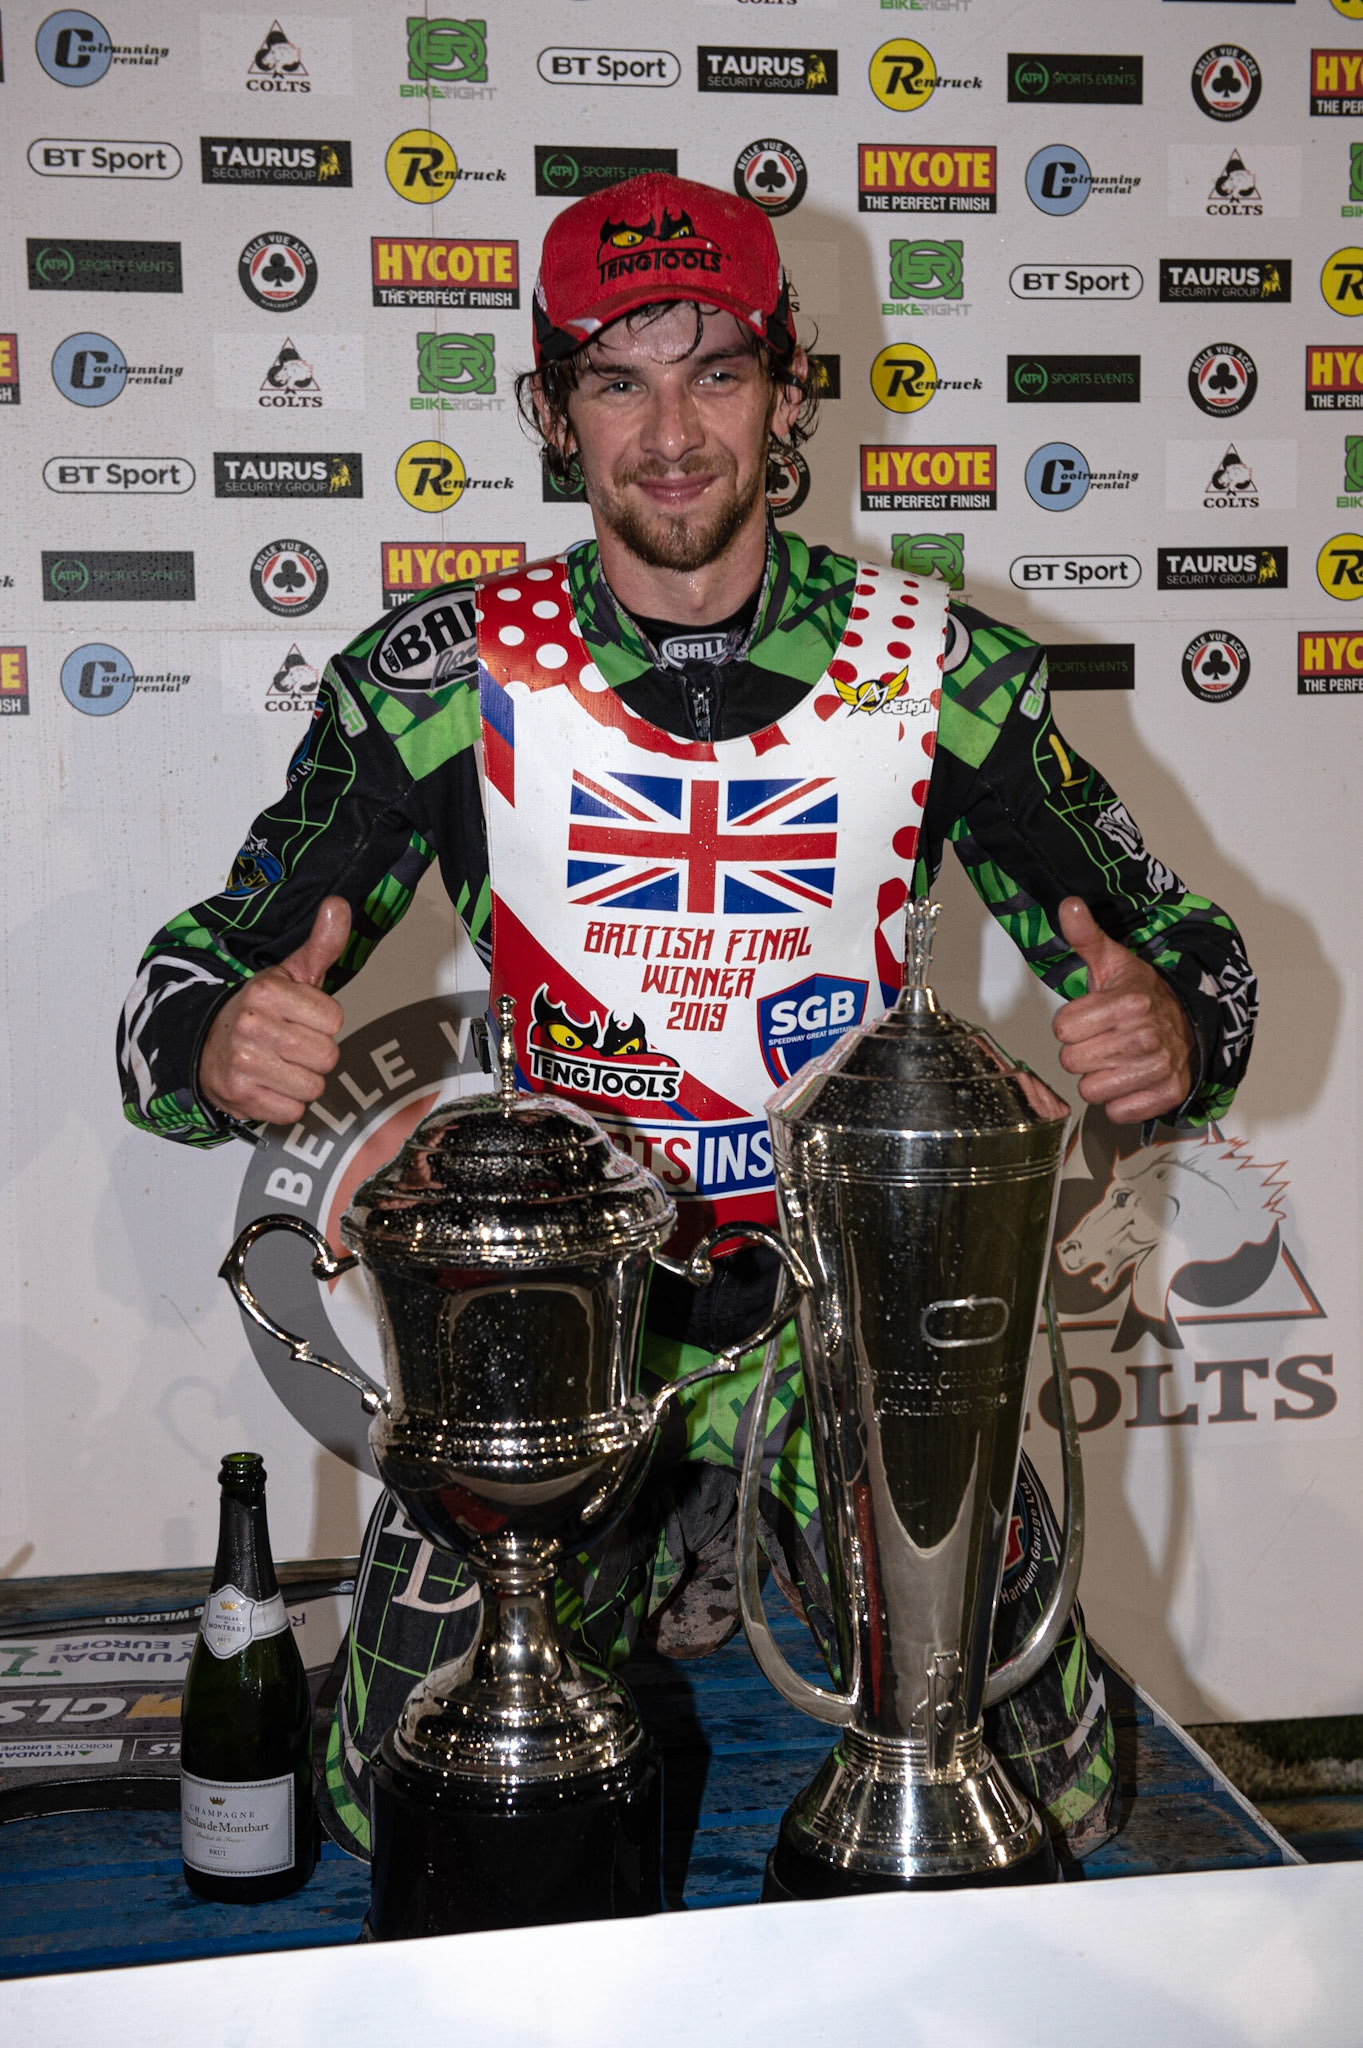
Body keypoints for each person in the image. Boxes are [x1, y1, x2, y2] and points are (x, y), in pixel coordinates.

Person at [118, 174, 1257, 1865]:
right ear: (551, 408)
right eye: (616, 378)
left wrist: (1168, 1028)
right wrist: (220, 1044)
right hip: (564, 1310)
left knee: (1053, 1801)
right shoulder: (446, 682)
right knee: (385, 1800)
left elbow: (1187, 955)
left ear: (790, 389)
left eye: (714, 371)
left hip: (842, 1310)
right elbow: (184, 994)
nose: (670, 431)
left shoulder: (933, 670)